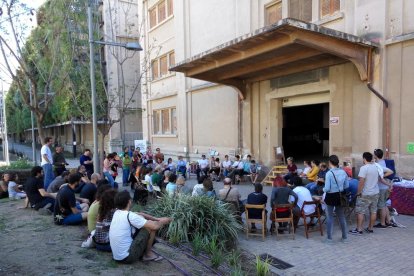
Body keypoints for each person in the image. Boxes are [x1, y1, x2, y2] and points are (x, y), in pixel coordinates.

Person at [109, 191, 172, 263]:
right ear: (129, 201)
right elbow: (155, 226)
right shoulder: (130, 216)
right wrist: (165, 220)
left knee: (144, 221)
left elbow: (139, 214)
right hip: (128, 257)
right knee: (150, 227)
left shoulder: (117, 212)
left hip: (117, 256)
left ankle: (145, 252)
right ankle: (148, 255)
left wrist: (157, 219)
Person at [349, 152, 380, 236]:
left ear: (364, 159)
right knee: (373, 211)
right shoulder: (376, 167)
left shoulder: (364, 168)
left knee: (360, 212)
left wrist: (358, 192)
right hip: (375, 192)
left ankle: (359, 230)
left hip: (365, 193)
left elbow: (361, 182)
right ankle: (370, 228)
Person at [323, 155, 349, 243]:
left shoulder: (329, 173)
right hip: (340, 195)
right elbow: (347, 185)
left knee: (330, 217)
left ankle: (329, 238)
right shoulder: (343, 172)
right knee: (341, 217)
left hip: (330, 196)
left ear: (330, 163)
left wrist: (323, 189)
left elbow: (327, 188)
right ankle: (345, 237)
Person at [373, 148, 395, 228]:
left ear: (376, 155)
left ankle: (382, 223)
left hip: (382, 187)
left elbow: (385, 175)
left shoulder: (379, 164)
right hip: (385, 186)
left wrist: (381, 176)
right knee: (385, 204)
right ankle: (388, 221)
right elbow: (391, 172)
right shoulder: (383, 162)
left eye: (374, 153)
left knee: (381, 206)